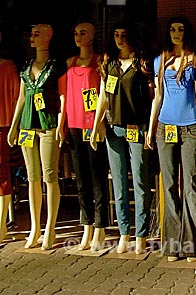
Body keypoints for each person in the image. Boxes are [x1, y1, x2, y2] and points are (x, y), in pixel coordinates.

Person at [147, 17, 196, 262]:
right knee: (169, 186)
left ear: (187, 32)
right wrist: (151, 129)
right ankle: (172, 246)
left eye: (181, 29)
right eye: (172, 29)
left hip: (192, 126)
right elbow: (158, 96)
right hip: (165, 127)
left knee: (191, 185)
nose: (176, 33)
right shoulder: (159, 61)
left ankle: (193, 245)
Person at [90, 21, 153, 255]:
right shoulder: (109, 64)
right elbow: (102, 97)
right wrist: (97, 125)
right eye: (116, 34)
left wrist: (150, 127)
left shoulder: (141, 64)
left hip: (137, 127)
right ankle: (124, 232)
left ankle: (141, 234)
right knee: (118, 182)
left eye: (124, 34)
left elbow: (151, 96)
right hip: (113, 128)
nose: (120, 39)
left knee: (140, 180)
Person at [7, 24, 65, 250]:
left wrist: (61, 124)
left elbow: (62, 96)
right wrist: (14, 126)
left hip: (48, 124)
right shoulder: (26, 66)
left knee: (49, 176)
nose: (32, 38)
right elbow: (21, 98)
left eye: (37, 34)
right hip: (27, 127)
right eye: (31, 34)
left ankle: (50, 226)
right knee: (32, 177)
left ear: (48, 37)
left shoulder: (56, 66)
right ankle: (35, 227)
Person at [64, 23, 109, 251]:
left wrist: (100, 121)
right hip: (74, 124)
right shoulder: (70, 63)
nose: (78, 36)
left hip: (92, 124)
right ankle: (87, 225)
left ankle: (100, 226)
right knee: (81, 179)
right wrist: (62, 124)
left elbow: (103, 92)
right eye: (76, 32)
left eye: (83, 33)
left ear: (92, 36)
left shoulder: (100, 61)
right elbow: (65, 96)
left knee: (97, 175)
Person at [0, 30, 20, 243]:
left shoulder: (8, 67)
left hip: (3, 124)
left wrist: (14, 126)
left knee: (2, 174)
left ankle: (2, 223)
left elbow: (16, 97)